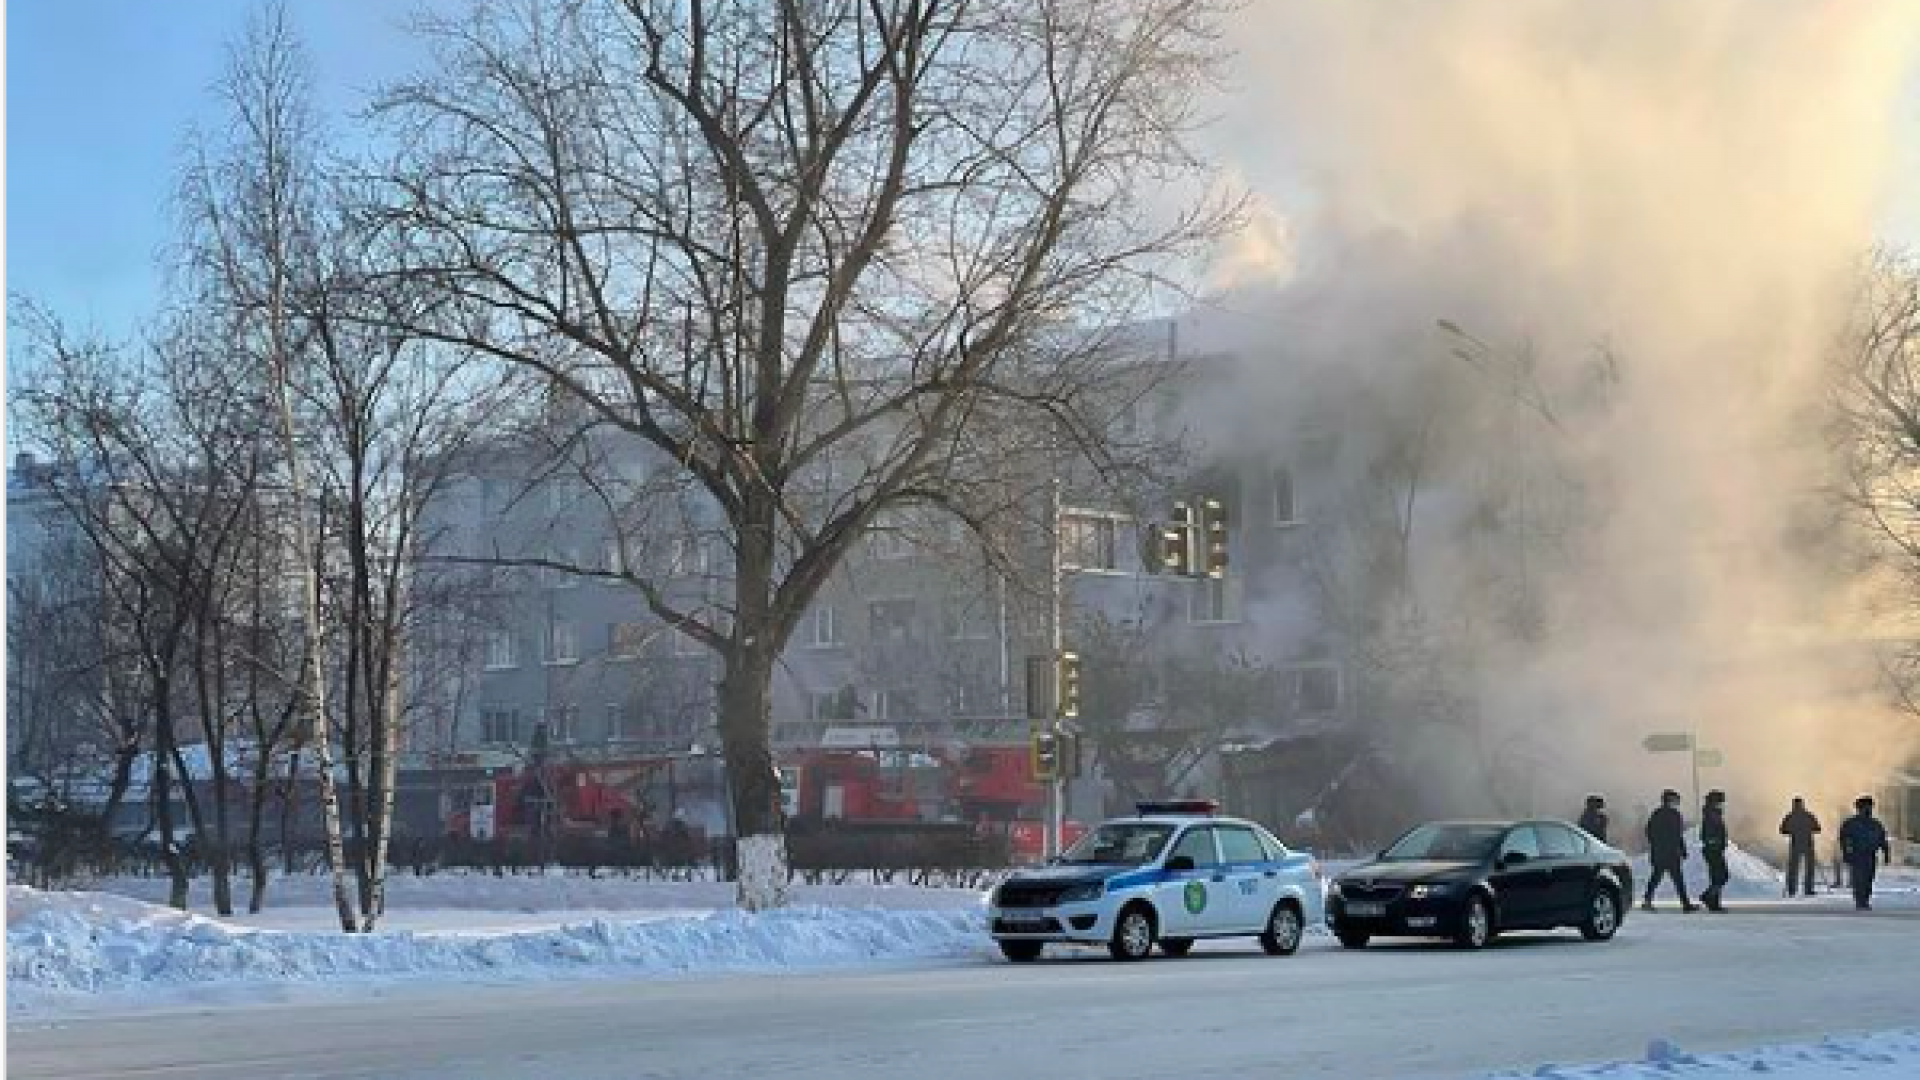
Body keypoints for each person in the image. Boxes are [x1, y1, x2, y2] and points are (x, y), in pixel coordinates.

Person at [1643, 789, 1696, 913]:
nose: (1677, 802)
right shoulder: (1674, 815)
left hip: (1659, 852)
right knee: (1677, 879)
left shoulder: (1656, 813)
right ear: (1670, 800)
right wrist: (1682, 850)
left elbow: (1649, 832)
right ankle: (1686, 904)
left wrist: (1655, 844)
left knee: (1656, 877)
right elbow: (1678, 835)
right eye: (1675, 800)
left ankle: (1647, 900)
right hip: (1671, 852)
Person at [1839, 795, 1892, 911]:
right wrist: (1846, 853)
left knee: (1868, 879)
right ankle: (1860, 900)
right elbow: (1843, 839)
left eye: (1870, 807)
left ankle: (1865, 899)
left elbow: (1882, 839)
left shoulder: (1876, 824)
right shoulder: (1850, 823)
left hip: (1870, 855)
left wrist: (1886, 853)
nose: (1868, 810)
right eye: (1865, 807)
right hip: (1857, 855)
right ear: (1859, 808)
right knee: (1858, 879)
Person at [1778, 797, 1822, 898]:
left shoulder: (1790, 816)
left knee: (1793, 868)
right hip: (1807, 844)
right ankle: (1808, 889)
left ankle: (1792, 889)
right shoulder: (1808, 815)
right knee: (1809, 868)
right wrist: (1810, 830)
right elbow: (1818, 828)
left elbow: (1782, 830)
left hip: (1796, 844)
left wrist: (1791, 831)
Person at [1699, 790, 1730, 913]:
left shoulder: (1712, 813)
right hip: (1713, 850)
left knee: (1716, 877)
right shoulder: (1712, 814)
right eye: (1720, 802)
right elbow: (1708, 833)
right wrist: (1716, 843)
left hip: (1714, 849)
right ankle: (1708, 896)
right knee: (1722, 876)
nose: (1722, 804)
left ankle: (1714, 903)